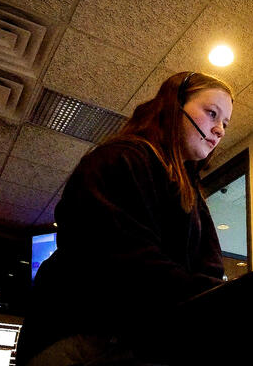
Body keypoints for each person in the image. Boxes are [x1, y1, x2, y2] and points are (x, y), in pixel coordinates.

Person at [16, 71, 234, 366]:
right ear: (174, 105)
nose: (219, 130)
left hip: (133, 336)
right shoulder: (119, 159)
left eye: (225, 124)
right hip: (83, 334)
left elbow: (209, 268)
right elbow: (130, 265)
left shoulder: (189, 191)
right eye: (212, 113)